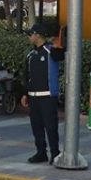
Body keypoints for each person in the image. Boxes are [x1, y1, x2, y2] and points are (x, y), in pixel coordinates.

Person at [20, 24, 64, 164]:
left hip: (47, 96)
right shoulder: (30, 55)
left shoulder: (50, 50)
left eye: (30, 34)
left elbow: (61, 55)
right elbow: (26, 76)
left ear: (38, 35)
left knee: (51, 126)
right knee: (36, 126)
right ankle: (41, 152)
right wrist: (25, 93)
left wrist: (59, 45)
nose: (29, 37)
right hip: (33, 96)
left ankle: (55, 153)